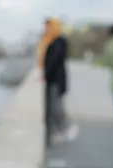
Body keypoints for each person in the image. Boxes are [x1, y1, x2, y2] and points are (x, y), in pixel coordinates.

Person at [38, 18, 78, 146]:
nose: (46, 29)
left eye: (49, 27)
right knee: (54, 107)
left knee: (57, 107)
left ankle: (67, 128)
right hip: (53, 79)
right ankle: (58, 131)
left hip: (56, 79)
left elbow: (54, 61)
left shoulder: (58, 42)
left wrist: (46, 74)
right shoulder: (50, 41)